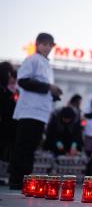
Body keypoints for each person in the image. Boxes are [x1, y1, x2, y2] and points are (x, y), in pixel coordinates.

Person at [9, 33, 63, 189]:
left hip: (40, 112)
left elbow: (42, 87)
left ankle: (24, 179)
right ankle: (16, 179)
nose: (47, 47)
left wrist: (53, 93)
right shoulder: (32, 60)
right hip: (28, 111)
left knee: (32, 147)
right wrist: (48, 87)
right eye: (44, 44)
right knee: (23, 146)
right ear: (37, 44)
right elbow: (23, 81)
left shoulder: (47, 65)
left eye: (50, 45)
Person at [0, 62, 18, 164]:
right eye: (10, 75)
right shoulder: (4, 91)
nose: (12, 78)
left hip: (9, 127)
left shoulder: (12, 91)